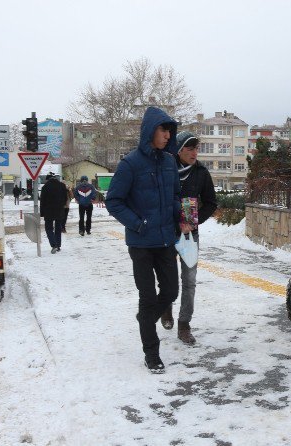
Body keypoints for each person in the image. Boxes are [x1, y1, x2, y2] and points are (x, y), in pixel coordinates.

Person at [105, 106, 182, 374]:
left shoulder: (170, 161)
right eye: (164, 129)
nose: (168, 134)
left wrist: (179, 217)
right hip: (140, 243)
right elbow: (113, 201)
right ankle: (152, 353)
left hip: (165, 240)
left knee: (171, 291)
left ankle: (145, 319)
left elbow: (174, 196)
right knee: (147, 296)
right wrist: (138, 223)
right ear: (151, 131)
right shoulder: (130, 164)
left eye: (170, 130)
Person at [161, 132, 218, 344]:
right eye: (190, 148)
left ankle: (184, 325)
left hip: (189, 235)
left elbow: (212, 203)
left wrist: (194, 222)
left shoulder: (201, 173)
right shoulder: (165, 170)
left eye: (197, 149)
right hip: (166, 232)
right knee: (167, 277)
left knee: (190, 280)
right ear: (179, 150)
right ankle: (165, 306)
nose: (195, 153)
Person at [39, 173, 68, 254]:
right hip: (59, 210)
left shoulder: (45, 187)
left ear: (48, 179)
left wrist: (42, 213)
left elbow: (42, 201)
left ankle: (53, 245)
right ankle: (58, 245)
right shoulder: (62, 185)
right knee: (58, 228)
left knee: (48, 228)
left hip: (48, 211)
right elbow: (65, 198)